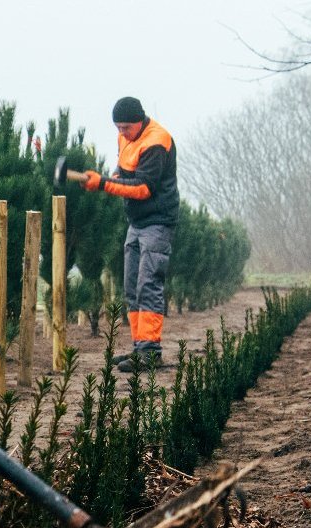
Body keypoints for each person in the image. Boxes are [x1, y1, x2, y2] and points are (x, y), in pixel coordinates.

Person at [72, 97, 178, 373]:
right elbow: (123, 172)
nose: (121, 133)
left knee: (148, 283)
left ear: (140, 121)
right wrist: (106, 178)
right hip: (137, 221)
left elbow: (143, 188)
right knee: (132, 285)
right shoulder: (126, 138)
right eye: (117, 128)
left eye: (126, 127)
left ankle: (151, 351)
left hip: (157, 221)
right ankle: (139, 346)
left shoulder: (157, 141)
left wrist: (104, 184)